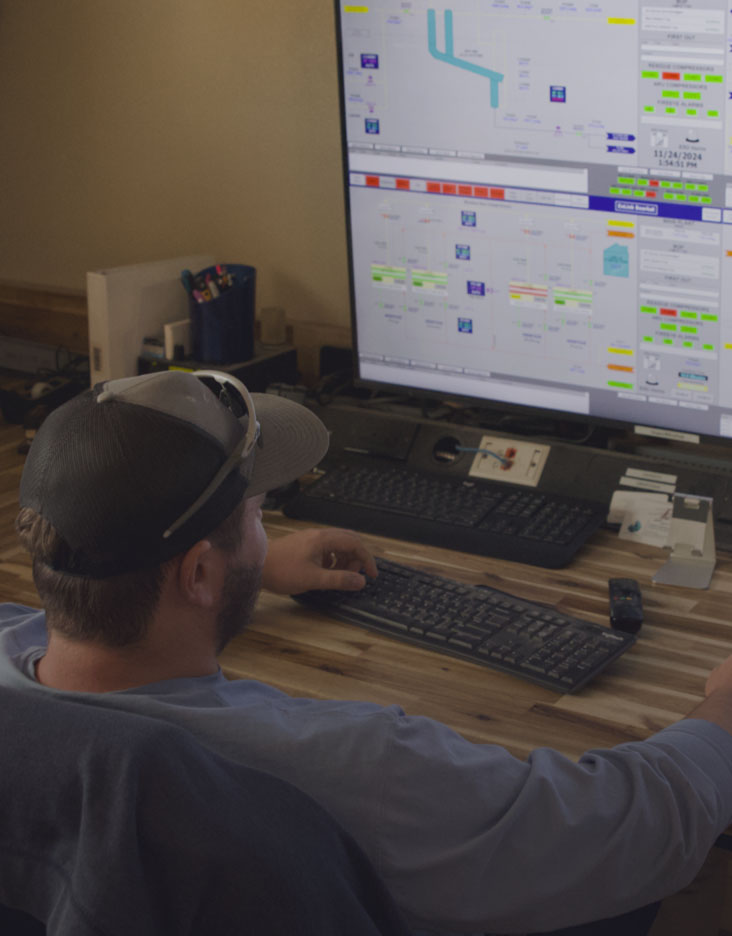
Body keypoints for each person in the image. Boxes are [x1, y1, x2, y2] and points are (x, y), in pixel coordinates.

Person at [1, 369, 732, 936]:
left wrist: (249, 572)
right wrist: (721, 713)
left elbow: (121, 630)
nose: (260, 532)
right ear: (197, 573)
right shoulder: (361, 764)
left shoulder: (19, 655)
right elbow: (630, 825)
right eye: (255, 516)